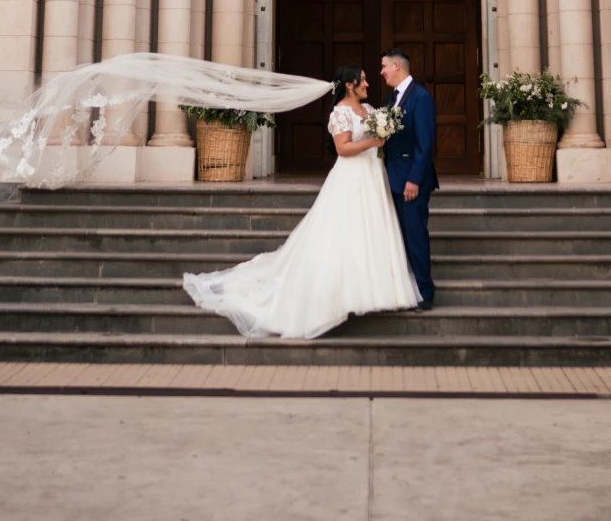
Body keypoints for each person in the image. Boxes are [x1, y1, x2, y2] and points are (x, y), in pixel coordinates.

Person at [182, 67, 421, 339]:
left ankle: (378, 290)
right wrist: (372, 142)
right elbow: (342, 149)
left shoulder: (369, 108)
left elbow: (377, 137)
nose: (368, 83)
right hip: (351, 178)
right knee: (346, 232)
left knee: (373, 229)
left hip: (372, 177)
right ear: (350, 86)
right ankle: (344, 294)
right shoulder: (340, 112)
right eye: (363, 79)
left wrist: (381, 138)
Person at [380, 47, 438, 308]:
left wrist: (414, 180)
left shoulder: (420, 97)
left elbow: (425, 144)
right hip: (393, 178)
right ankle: (406, 290)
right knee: (400, 237)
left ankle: (425, 293)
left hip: (411, 182)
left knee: (415, 236)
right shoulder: (391, 99)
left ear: (396, 67)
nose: (381, 72)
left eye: (384, 67)